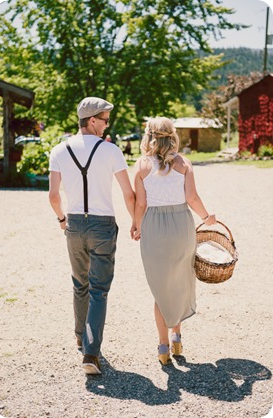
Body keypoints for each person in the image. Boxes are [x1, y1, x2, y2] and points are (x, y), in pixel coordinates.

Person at [49, 97, 135, 375]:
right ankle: (91, 352)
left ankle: (79, 335)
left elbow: (52, 196)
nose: (107, 125)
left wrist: (62, 219)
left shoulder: (59, 150)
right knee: (99, 290)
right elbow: (128, 193)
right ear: (92, 120)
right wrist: (136, 221)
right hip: (102, 225)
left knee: (80, 283)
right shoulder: (111, 152)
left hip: (73, 223)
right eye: (106, 120)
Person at [133, 117, 216, 365]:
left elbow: (141, 203)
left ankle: (162, 347)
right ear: (172, 136)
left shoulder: (141, 165)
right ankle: (177, 337)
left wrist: (136, 225)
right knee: (179, 282)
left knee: (161, 289)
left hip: (154, 228)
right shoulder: (184, 163)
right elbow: (192, 197)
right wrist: (206, 217)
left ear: (148, 136)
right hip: (181, 225)